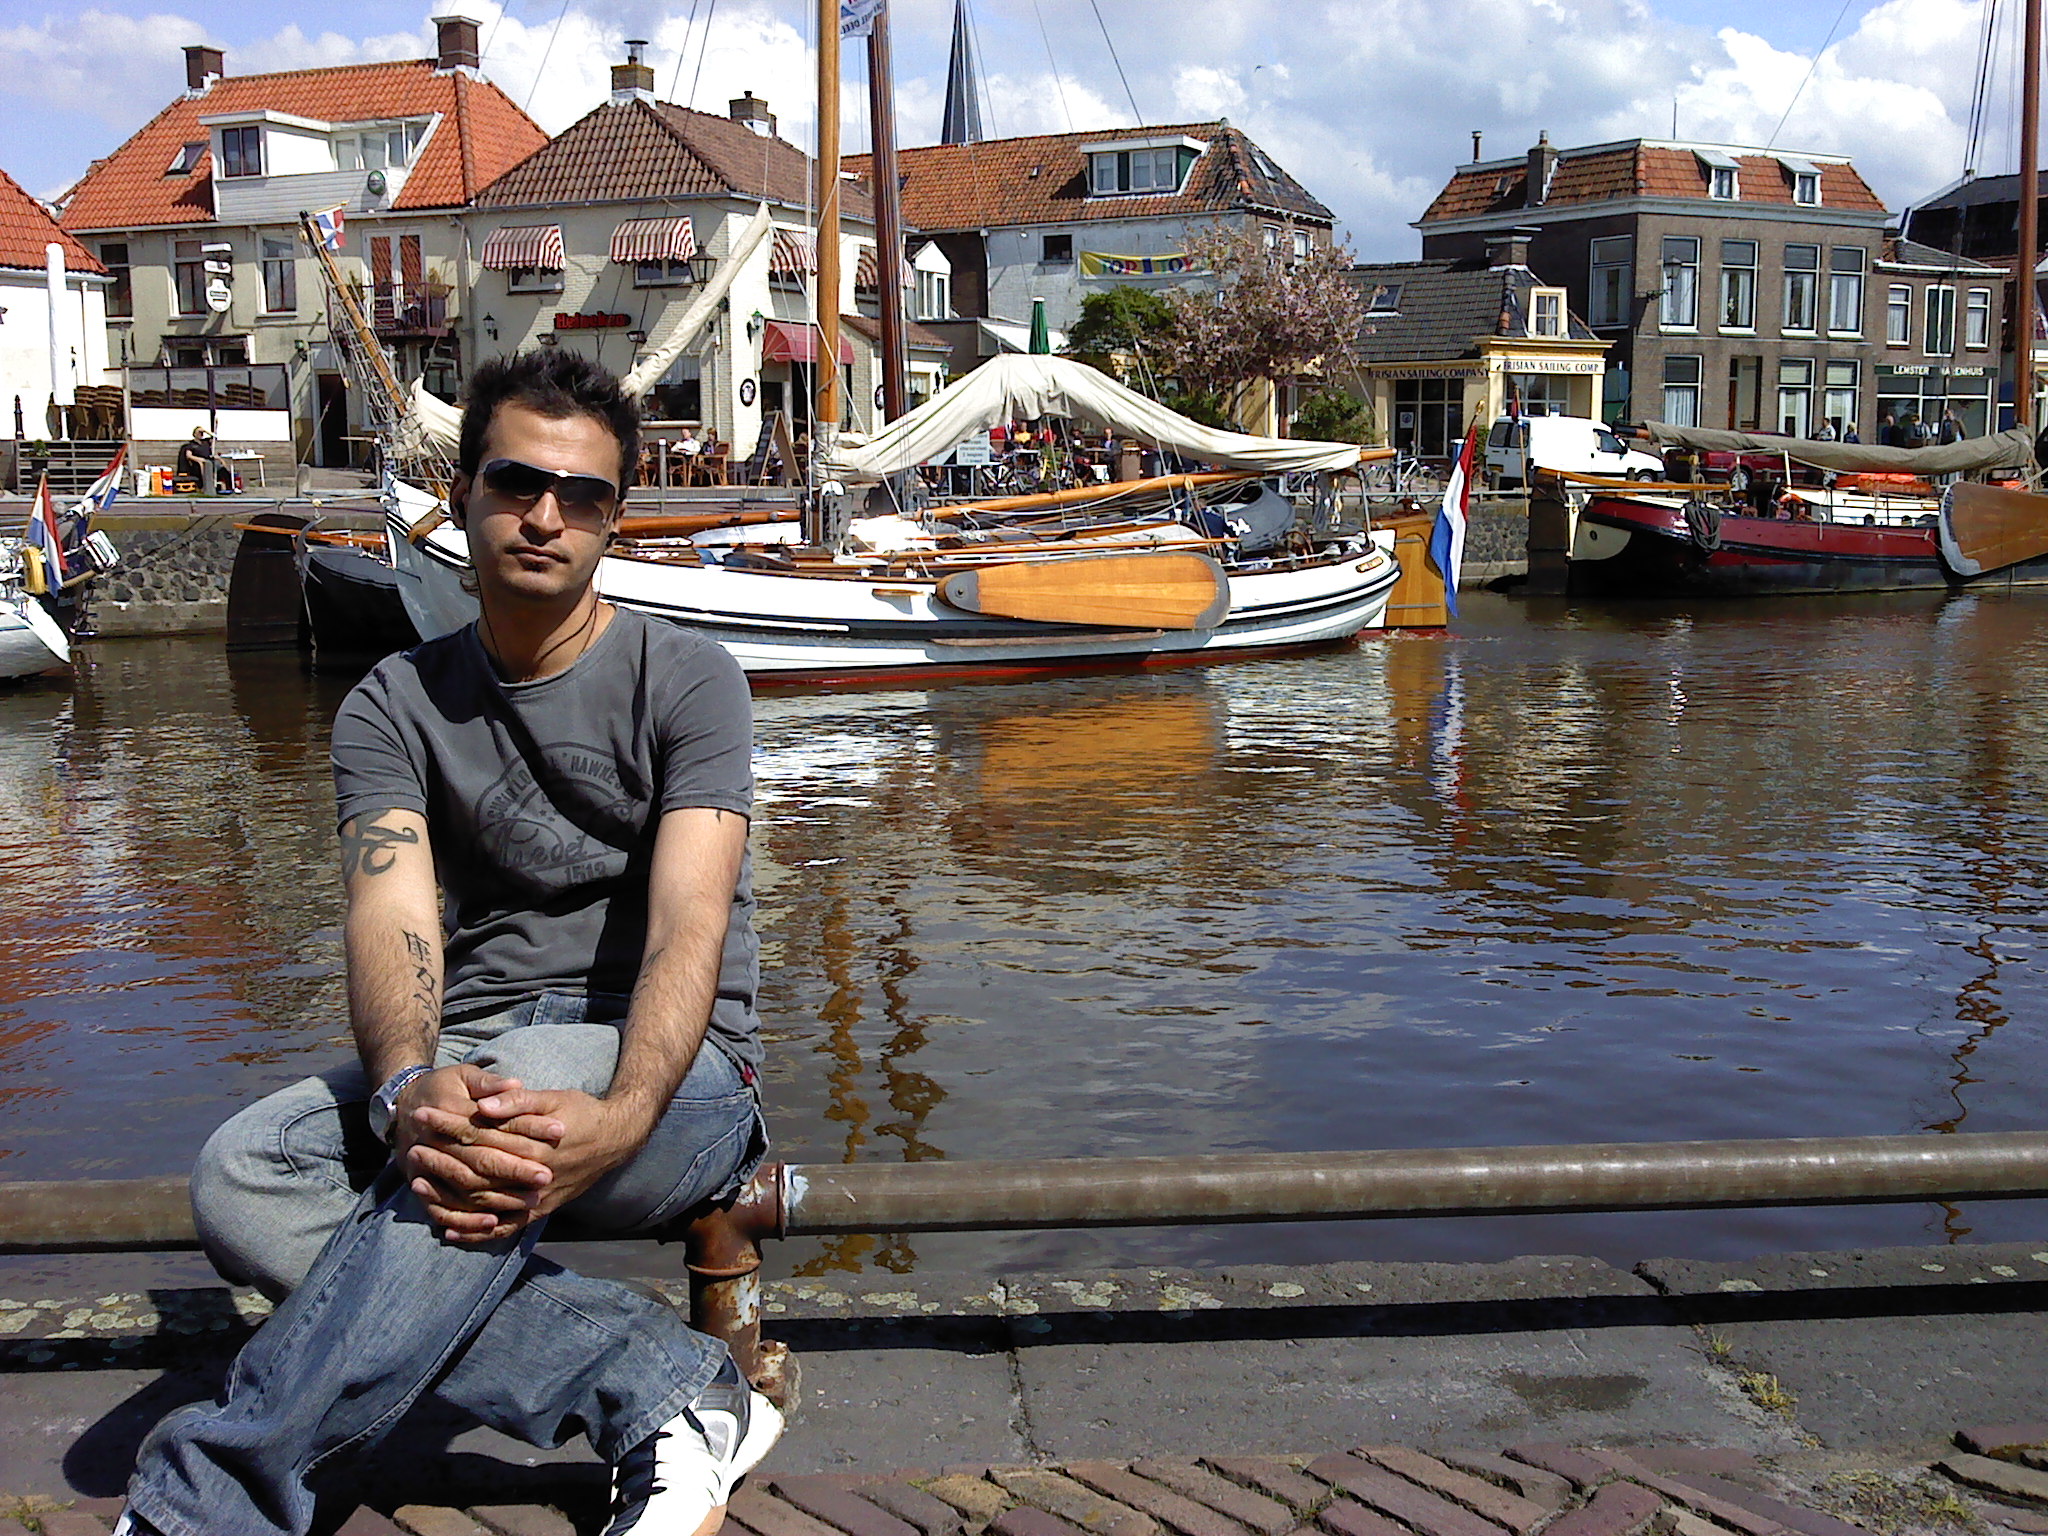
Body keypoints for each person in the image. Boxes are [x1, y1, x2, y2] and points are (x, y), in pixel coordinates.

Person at [116, 350, 780, 1536]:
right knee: (245, 1176)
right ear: (463, 493)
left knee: (491, 1115)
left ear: (614, 519)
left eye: (582, 496)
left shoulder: (689, 679)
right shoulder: (393, 702)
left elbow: (692, 922)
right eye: (517, 483)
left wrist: (626, 1111)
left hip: (675, 1077)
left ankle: (209, 1502)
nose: (545, 516)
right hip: (483, 1053)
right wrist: (404, 1088)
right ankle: (662, 1387)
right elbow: (391, 915)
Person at [174, 426, 217, 496]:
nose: (200, 434)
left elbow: (215, 437)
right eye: (199, 432)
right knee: (204, 465)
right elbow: (189, 456)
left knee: (221, 467)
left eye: (201, 433)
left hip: (209, 461)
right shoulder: (191, 444)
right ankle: (204, 486)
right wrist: (200, 460)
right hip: (196, 464)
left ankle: (225, 488)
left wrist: (205, 431)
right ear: (194, 434)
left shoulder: (206, 442)